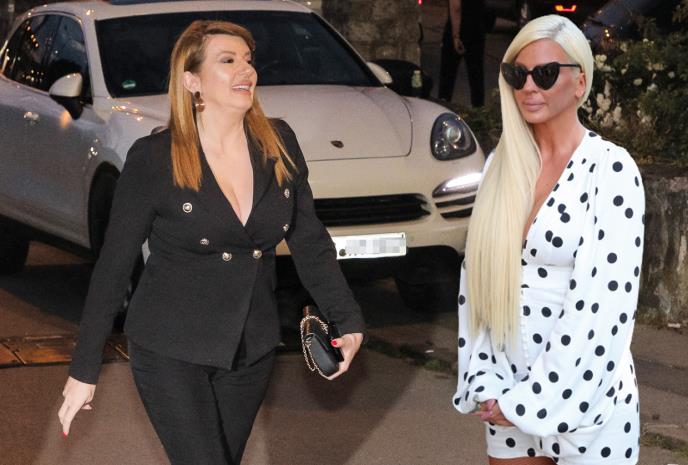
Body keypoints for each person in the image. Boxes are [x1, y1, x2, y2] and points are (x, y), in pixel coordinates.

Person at [58, 20, 365, 465]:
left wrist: (347, 319)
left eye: (248, 60)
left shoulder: (279, 144)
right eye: (228, 60)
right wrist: (84, 370)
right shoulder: (155, 159)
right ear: (192, 81)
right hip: (170, 348)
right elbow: (114, 265)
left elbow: (310, 242)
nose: (246, 70)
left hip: (251, 349)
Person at [452, 15, 644, 465]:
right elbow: (477, 279)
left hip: (589, 404)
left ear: (580, 82)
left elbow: (602, 308)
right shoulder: (501, 165)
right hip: (506, 392)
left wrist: (532, 402)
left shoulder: (610, 170)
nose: (529, 87)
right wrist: (486, 380)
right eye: (517, 74)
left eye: (545, 73)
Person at [438, 0, 486, 107]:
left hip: (459, 28)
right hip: (477, 29)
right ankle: (479, 110)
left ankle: (443, 106)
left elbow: (456, 6)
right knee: (476, 76)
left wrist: (456, 35)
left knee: (447, 76)